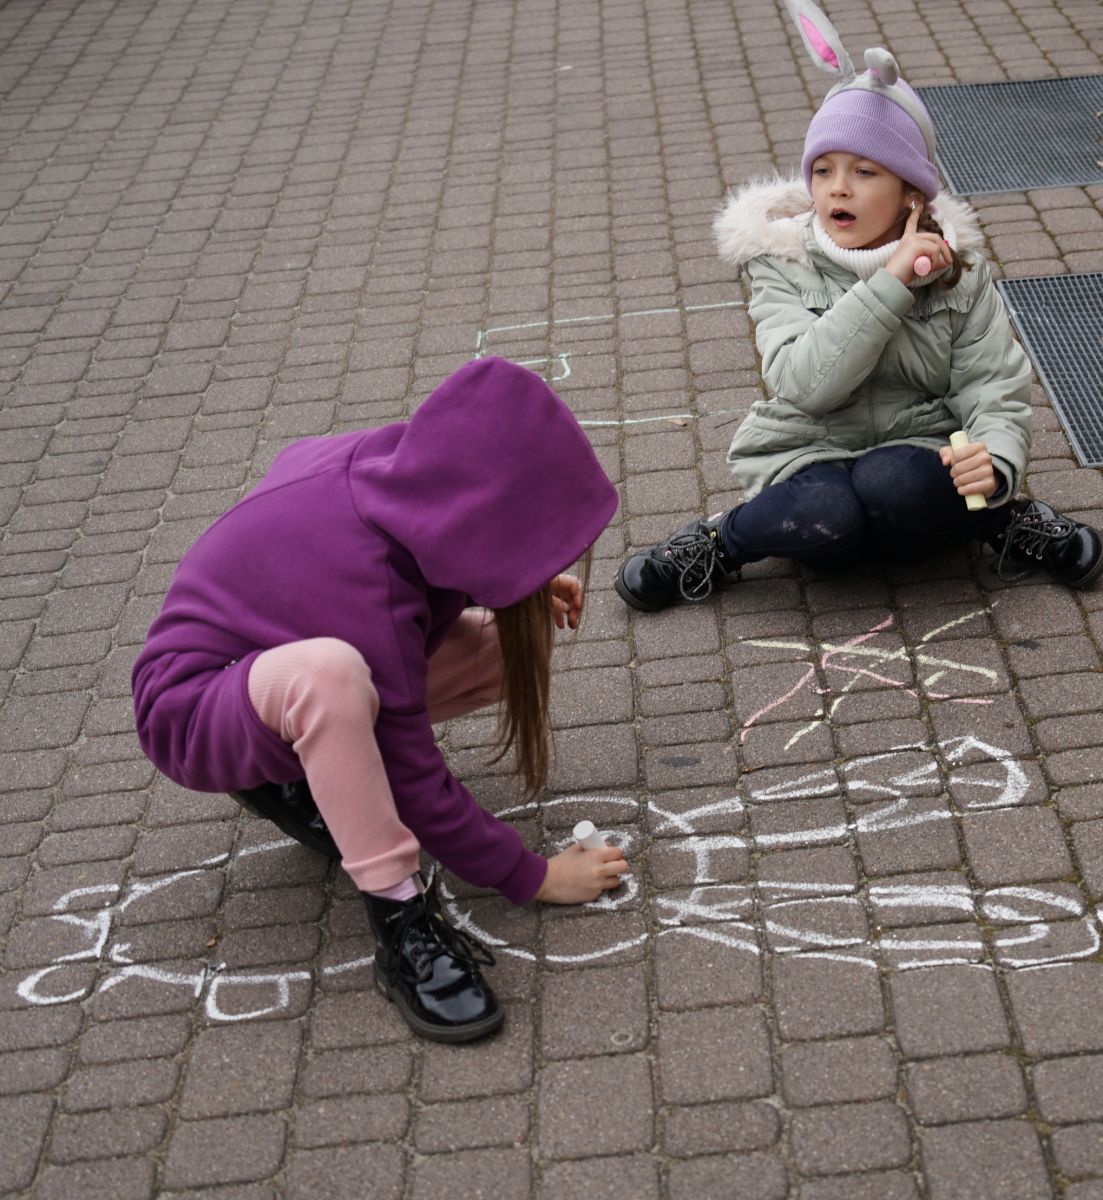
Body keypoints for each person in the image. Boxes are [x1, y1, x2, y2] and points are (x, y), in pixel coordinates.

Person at [132, 358, 627, 1042]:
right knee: (330, 677)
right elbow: (413, 778)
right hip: (191, 709)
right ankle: (402, 924)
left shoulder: (394, 464)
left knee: (500, 647)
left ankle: (303, 771)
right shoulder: (365, 589)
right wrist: (532, 876)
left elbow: (425, 536)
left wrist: (518, 574)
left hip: (276, 661)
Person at [614, 0, 1102, 613]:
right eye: (823, 170)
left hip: (915, 456)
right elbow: (803, 383)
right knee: (826, 512)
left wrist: (997, 463)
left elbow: (992, 386)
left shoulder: (958, 271)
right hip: (807, 454)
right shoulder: (780, 260)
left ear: (910, 195)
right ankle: (721, 542)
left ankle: (1003, 520)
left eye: (865, 171)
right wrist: (891, 283)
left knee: (890, 482)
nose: (838, 187)